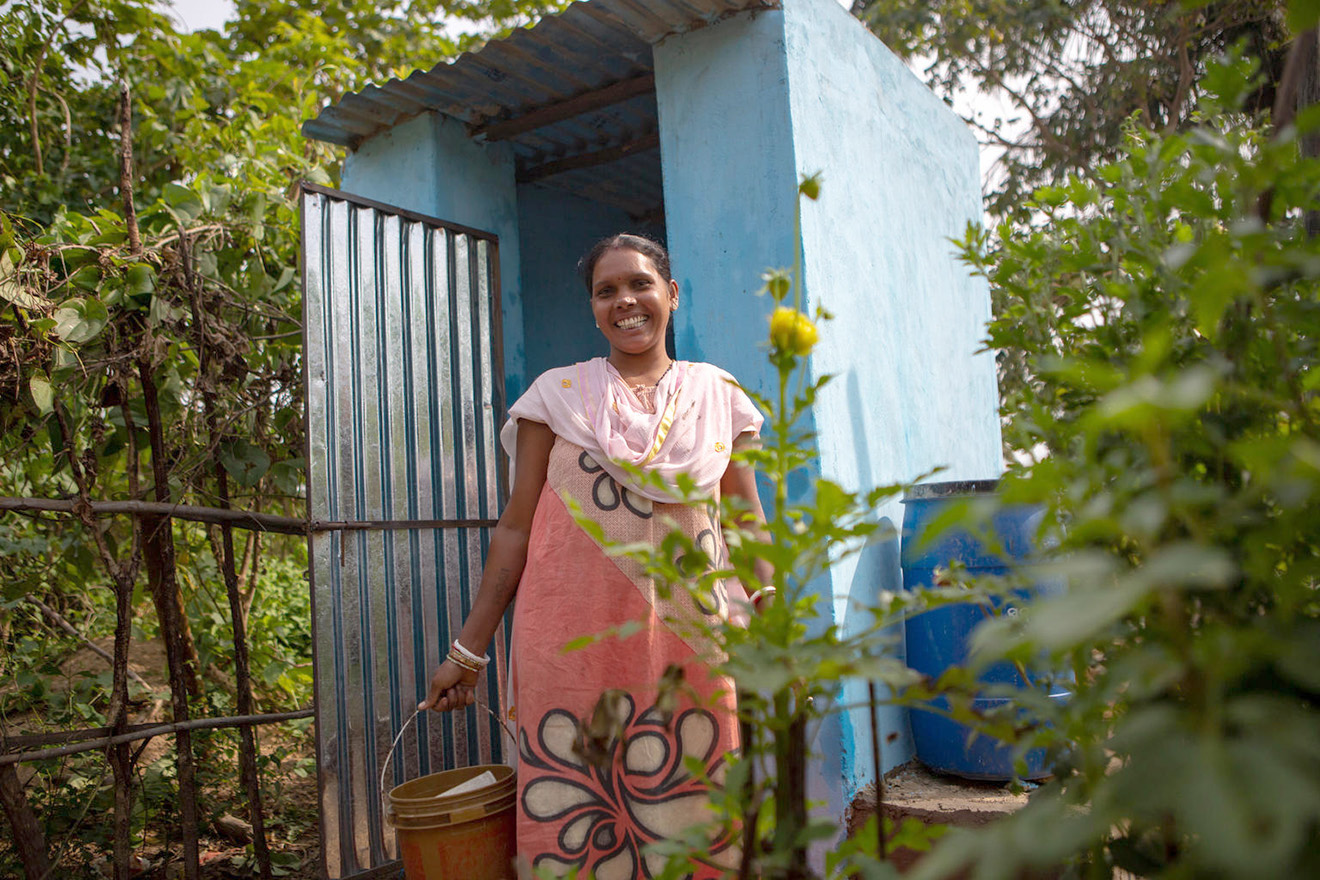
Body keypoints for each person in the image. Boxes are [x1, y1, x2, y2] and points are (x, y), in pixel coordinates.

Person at [420, 233, 768, 879]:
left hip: (691, 645)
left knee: (697, 812)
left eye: (639, 284)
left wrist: (776, 619)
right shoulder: (555, 398)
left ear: (671, 294)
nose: (625, 301)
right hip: (569, 653)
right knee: (578, 818)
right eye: (606, 291)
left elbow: (747, 521)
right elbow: (516, 530)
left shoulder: (718, 395)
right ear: (593, 309)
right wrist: (466, 654)